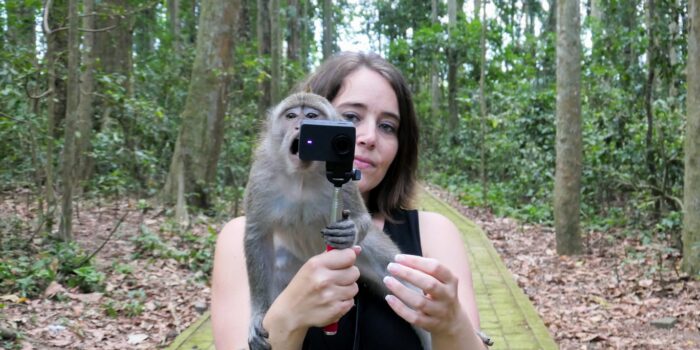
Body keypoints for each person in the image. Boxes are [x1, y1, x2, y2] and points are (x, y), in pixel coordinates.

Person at [211, 51, 488, 349]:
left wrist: (455, 325)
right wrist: (287, 315)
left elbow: (360, 220)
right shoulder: (239, 234)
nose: (367, 137)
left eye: (387, 126)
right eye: (350, 118)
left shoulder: (435, 233)